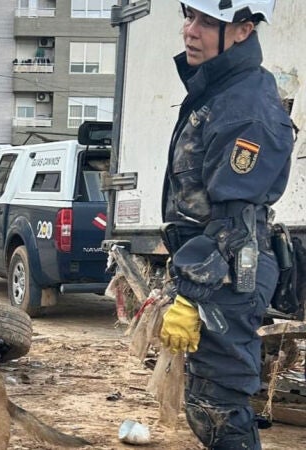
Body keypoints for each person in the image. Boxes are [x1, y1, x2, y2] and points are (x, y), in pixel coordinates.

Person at [158, 1, 294, 449]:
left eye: (207, 22)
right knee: (209, 408)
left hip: (230, 275)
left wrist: (190, 296)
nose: (189, 31)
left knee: (219, 411)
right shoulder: (222, 91)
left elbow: (232, 224)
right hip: (221, 271)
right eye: (189, 17)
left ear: (242, 30)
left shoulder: (244, 106)